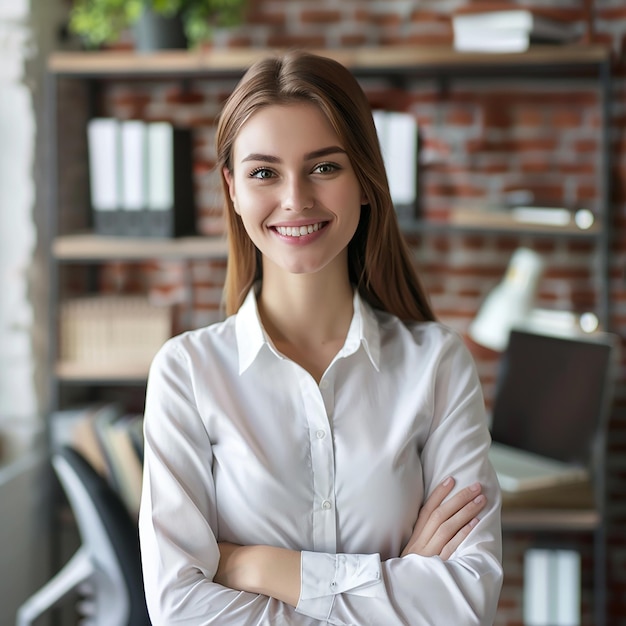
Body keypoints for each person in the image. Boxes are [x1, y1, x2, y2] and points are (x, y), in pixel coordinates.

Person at [139, 50, 503, 625]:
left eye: (325, 167)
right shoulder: (186, 372)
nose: (296, 200)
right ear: (233, 189)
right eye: (264, 172)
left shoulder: (437, 365)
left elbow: (463, 604)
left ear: (364, 179)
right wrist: (400, 585)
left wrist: (257, 567)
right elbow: (180, 611)